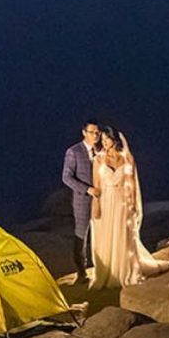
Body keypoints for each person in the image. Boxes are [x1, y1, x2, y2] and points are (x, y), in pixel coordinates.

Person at [89, 126, 169, 289]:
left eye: (108, 138)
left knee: (123, 235)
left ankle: (124, 271)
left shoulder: (127, 159)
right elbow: (97, 186)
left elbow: (133, 185)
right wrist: (96, 206)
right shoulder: (98, 160)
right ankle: (108, 272)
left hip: (122, 201)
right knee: (106, 235)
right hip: (106, 199)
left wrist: (133, 204)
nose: (105, 142)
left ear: (115, 139)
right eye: (103, 139)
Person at [62, 120, 101, 282]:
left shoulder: (102, 149)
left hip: (101, 200)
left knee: (101, 234)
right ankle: (81, 271)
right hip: (82, 200)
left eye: (98, 133)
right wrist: (87, 189)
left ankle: (102, 267)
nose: (96, 136)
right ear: (84, 133)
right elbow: (66, 177)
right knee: (81, 236)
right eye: (92, 132)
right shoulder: (74, 151)